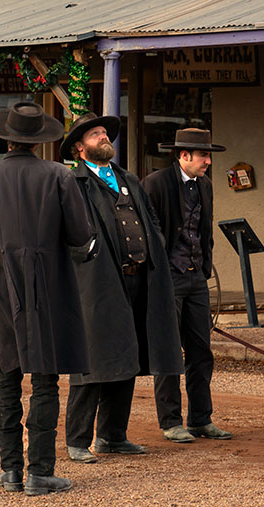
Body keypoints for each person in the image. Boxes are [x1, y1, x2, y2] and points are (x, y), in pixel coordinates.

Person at [0, 102, 96, 496]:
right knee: (45, 378)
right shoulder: (58, 176)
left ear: (6, 137)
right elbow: (78, 234)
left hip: (3, 286)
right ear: (39, 141)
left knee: (7, 374)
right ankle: (40, 471)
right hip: (50, 284)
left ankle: (10, 471)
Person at [60, 112, 184, 462]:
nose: (103, 138)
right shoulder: (75, 183)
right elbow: (67, 232)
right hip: (97, 283)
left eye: (104, 133)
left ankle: (113, 436)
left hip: (138, 279)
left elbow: (151, 218)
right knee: (94, 360)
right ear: (79, 148)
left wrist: (155, 240)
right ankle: (78, 440)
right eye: (95, 134)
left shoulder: (127, 178)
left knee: (126, 357)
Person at [142, 128, 233, 443]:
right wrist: (158, 274)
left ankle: (200, 419)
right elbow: (145, 234)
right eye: (203, 155)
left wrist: (204, 267)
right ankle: (170, 421)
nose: (208, 161)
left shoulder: (205, 185)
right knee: (168, 351)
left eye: (209, 155)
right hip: (168, 277)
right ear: (183, 156)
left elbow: (203, 229)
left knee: (201, 350)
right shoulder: (155, 184)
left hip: (196, 278)